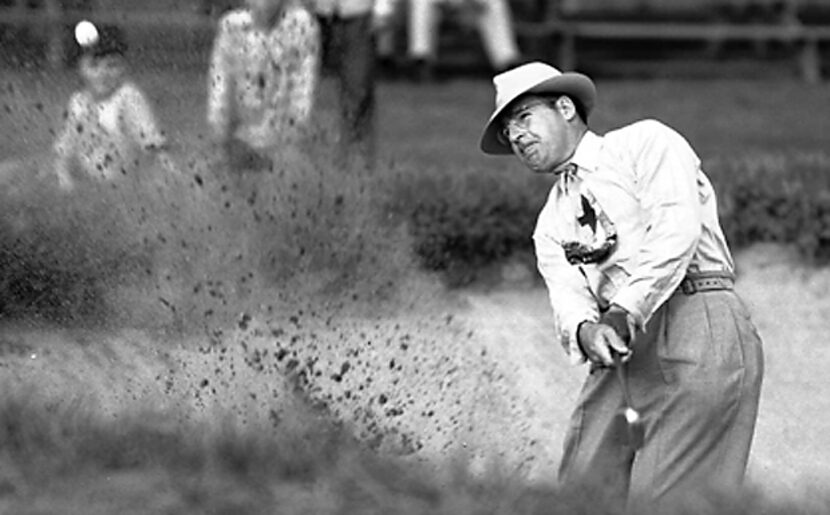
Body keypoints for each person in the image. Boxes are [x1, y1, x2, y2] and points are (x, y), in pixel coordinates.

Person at [479, 62, 764, 512]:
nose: (515, 136)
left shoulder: (644, 143)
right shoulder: (550, 223)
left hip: (695, 325)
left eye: (523, 117)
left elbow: (676, 231)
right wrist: (586, 332)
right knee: (583, 489)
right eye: (507, 131)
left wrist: (623, 311)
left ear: (566, 107)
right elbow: (568, 300)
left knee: (667, 500)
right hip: (621, 358)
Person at [53, 21, 179, 191]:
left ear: (125, 67)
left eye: (112, 65)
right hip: (92, 183)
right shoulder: (79, 102)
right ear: (81, 69)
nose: (102, 74)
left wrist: (169, 173)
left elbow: (151, 142)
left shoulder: (127, 97)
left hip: (126, 183)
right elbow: (65, 148)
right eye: (94, 66)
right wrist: (65, 181)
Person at [207, 0, 320, 173]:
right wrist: (219, 129)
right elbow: (220, 82)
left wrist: (295, 131)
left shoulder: (301, 26)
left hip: (283, 139)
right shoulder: (231, 27)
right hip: (240, 135)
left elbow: (303, 87)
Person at [313, 0, 396, 164]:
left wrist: (384, 7)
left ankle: (357, 169)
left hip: (358, 13)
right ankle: (304, 168)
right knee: (304, 93)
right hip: (315, 12)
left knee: (358, 90)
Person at [407, 0, 522, 81]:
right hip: (441, 6)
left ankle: (506, 63)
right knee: (422, 2)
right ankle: (421, 61)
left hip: (471, 7)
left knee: (495, 3)